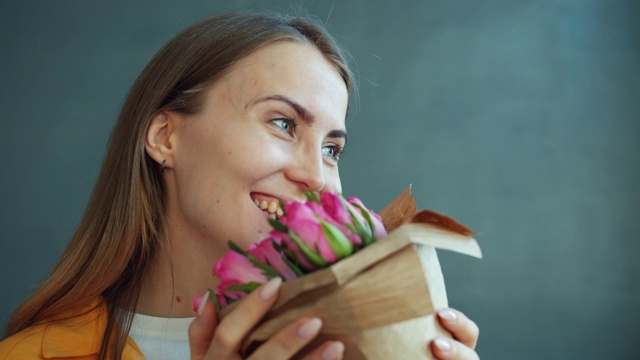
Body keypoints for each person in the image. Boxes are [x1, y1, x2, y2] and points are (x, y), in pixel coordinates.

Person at [0, 11, 479, 360]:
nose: (316, 177)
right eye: (283, 124)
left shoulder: (365, 340)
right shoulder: (31, 355)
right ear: (166, 137)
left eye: (332, 150)